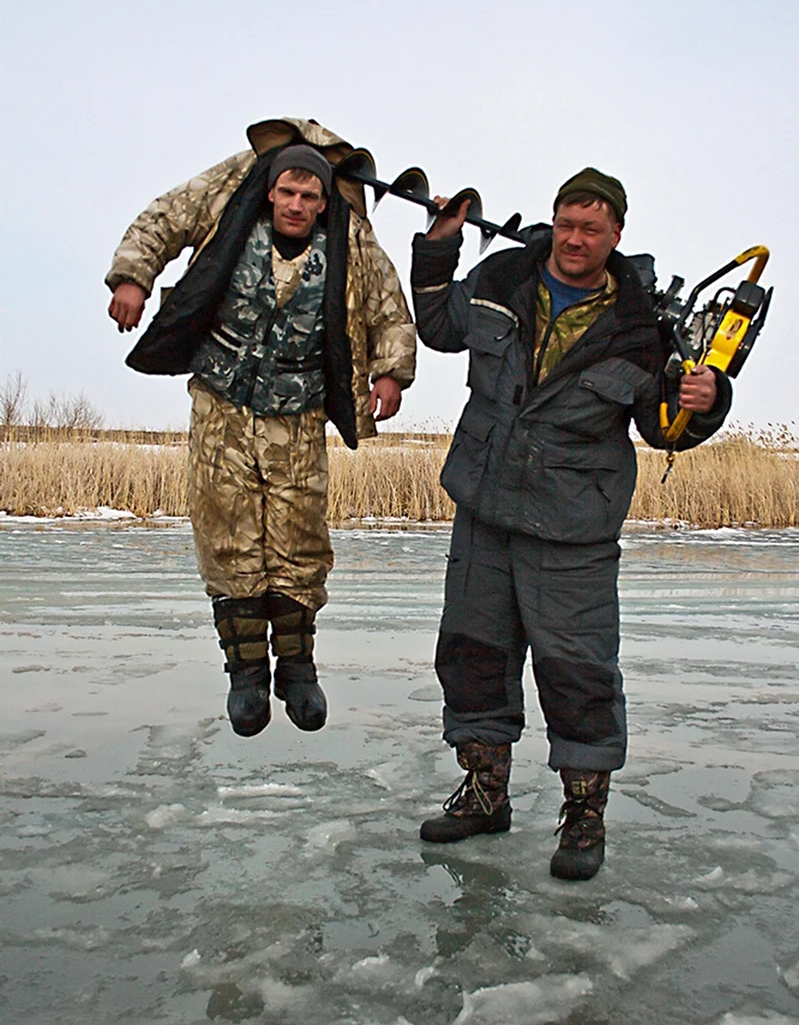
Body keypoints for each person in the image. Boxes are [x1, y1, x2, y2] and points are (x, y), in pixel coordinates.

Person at [410, 167, 730, 879]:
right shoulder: (502, 278)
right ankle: (484, 794)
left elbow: (664, 427)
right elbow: (436, 327)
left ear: (615, 235)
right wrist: (436, 249)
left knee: (577, 673)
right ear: (552, 223)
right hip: (485, 508)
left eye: (590, 229)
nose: (574, 239)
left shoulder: (642, 324)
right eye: (565, 224)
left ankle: (584, 815)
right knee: (471, 658)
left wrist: (706, 398)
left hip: (573, 526)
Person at [106, 117, 415, 738]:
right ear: (271, 192)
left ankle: (297, 669)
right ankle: (246, 675)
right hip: (222, 400)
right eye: (288, 193)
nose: (297, 205)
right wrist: (133, 276)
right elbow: (166, 217)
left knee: (299, 535)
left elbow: (387, 303)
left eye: (310, 196)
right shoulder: (231, 211)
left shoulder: (351, 241)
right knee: (227, 530)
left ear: (323, 201)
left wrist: (392, 373)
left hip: (298, 411)